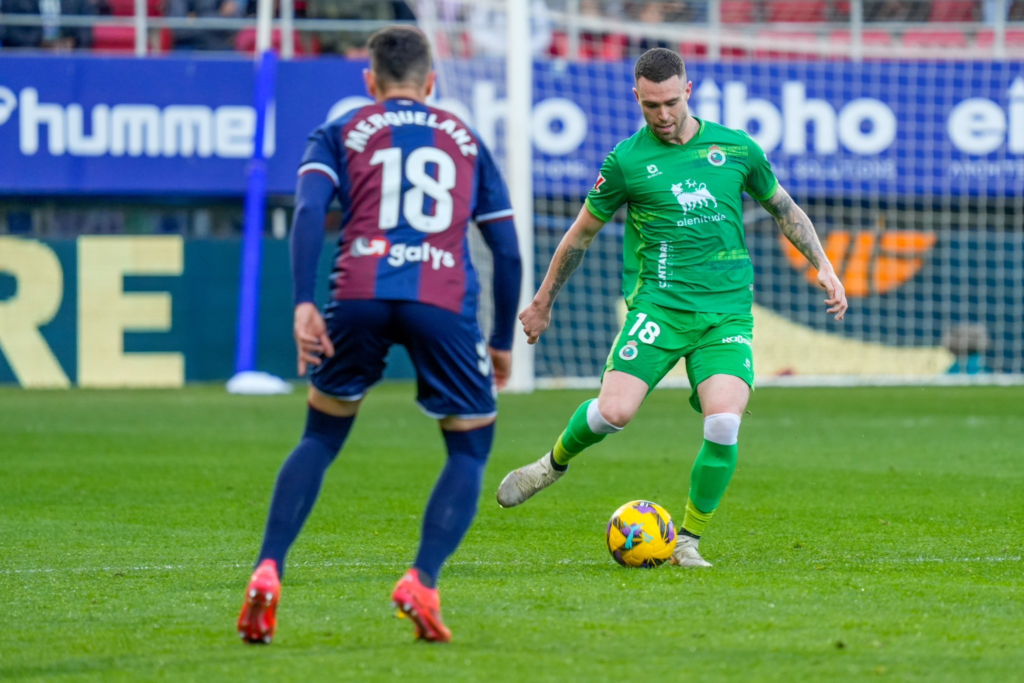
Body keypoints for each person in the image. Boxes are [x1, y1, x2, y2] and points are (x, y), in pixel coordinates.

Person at [495, 48, 847, 568]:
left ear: (690, 90)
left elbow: (784, 209)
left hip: (725, 312)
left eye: (671, 102)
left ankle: (687, 540)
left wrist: (824, 264)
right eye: (651, 105)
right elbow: (580, 236)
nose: (662, 115)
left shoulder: (737, 148)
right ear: (636, 97)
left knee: (724, 422)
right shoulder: (626, 162)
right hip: (658, 307)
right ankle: (551, 464)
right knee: (614, 413)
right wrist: (543, 300)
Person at [237, 25, 521, 644]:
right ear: (432, 83)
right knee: (470, 448)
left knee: (321, 434)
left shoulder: (340, 130)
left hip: (358, 291)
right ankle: (422, 579)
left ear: (370, 82)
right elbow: (505, 245)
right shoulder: (466, 139)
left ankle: (268, 568)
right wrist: (500, 341)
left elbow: (310, 211)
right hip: (442, 300)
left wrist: (305, 304)